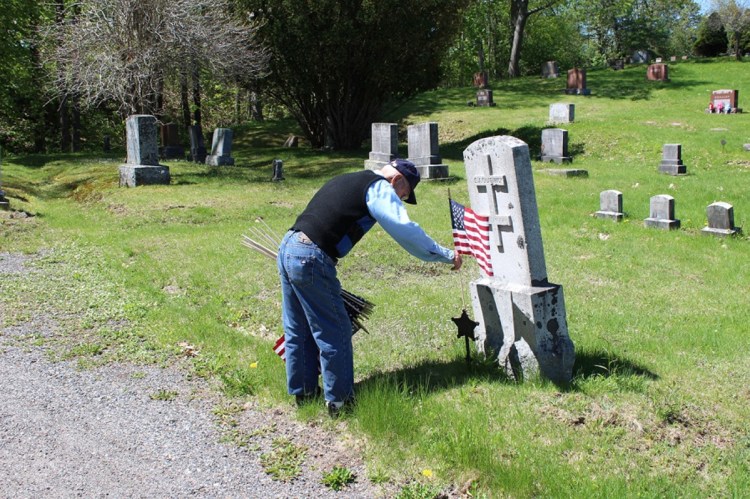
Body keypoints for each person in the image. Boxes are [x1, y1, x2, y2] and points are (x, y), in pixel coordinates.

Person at [276, 159, 462, 416]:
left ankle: (304, 394)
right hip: (310, 254)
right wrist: (446, 255)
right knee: (335, 329)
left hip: (289, 245)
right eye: (403, 194)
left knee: (298, 326)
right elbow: (404, 229)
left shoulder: (351, 177)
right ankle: (340, 403)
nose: (400, 199)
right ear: (397, 181)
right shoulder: (378, 187)